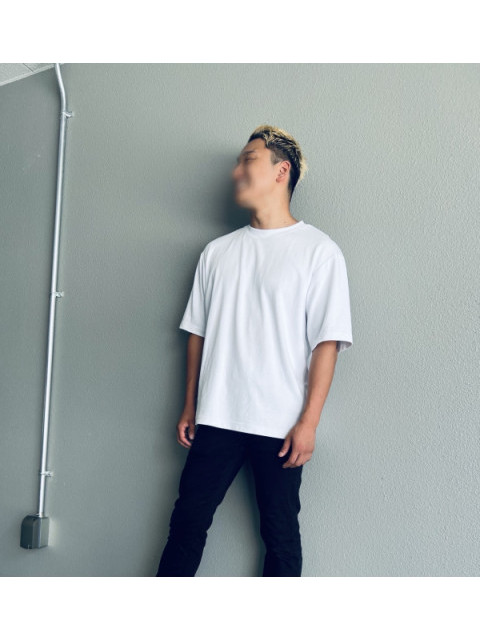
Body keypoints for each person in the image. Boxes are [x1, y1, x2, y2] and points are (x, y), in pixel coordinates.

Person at [156, 124, 353, 577]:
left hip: (280, 424)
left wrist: (309, 423)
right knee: (185, 527)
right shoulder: (216, 253)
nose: (237, 172)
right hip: (216, 416)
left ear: (281, 171)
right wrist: (190, 405)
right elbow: (197, 334)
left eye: (248, 160)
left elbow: (327, 342)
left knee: (280, 536)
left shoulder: (319, 252)